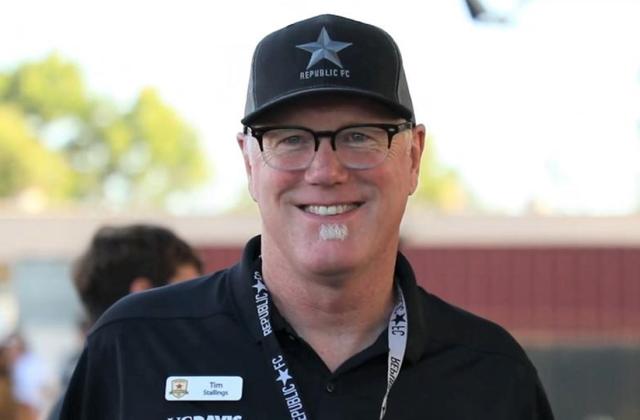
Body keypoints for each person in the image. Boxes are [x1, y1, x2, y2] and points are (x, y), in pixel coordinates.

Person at [59, 14, 554, 419]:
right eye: (290, 139)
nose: (325, 171)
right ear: (249, 162)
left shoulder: (493, 376)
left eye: (360, 136)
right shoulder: (134, 348)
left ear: (413, 157)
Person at [48, 224, 203, 419]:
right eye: (189, 293)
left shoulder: (73, 404)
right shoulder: (159, 401)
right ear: (143, 293)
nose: (202, 307)